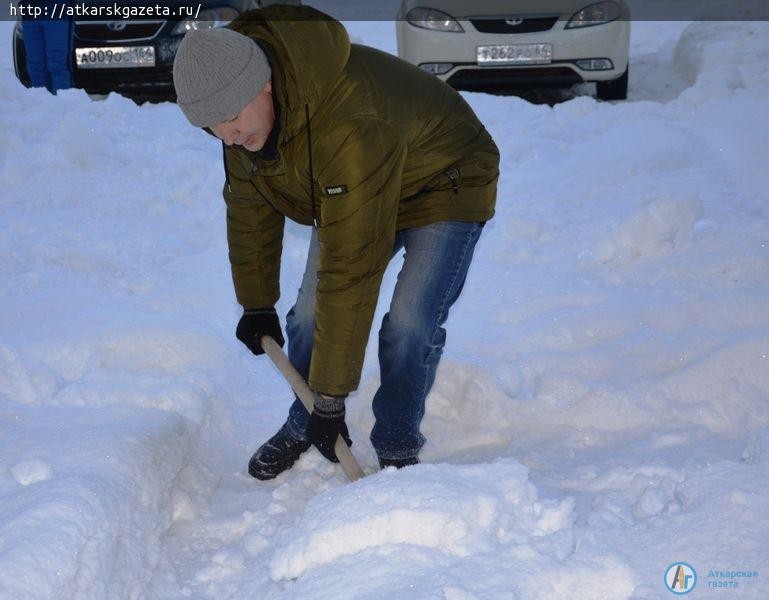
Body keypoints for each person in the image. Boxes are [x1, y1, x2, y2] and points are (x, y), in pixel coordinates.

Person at [172, 5, 499, 480]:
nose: (229, 135)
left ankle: (397, 444)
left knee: (410, 323)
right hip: (359, 185)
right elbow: (249, 212)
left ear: (264, 84)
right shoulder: (245, 130)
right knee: (307, 315)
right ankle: (303, 421)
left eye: (231, 118)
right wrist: (256, 303)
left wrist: (332, 394)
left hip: (444, 181)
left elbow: (350, 266)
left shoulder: (345, 116)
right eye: (211, 127)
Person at [21, 1, 73, 94]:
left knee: (57, 65)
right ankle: (40, 103)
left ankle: (62, 104)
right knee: (35, 65)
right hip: (30, 14)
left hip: (56, 12)